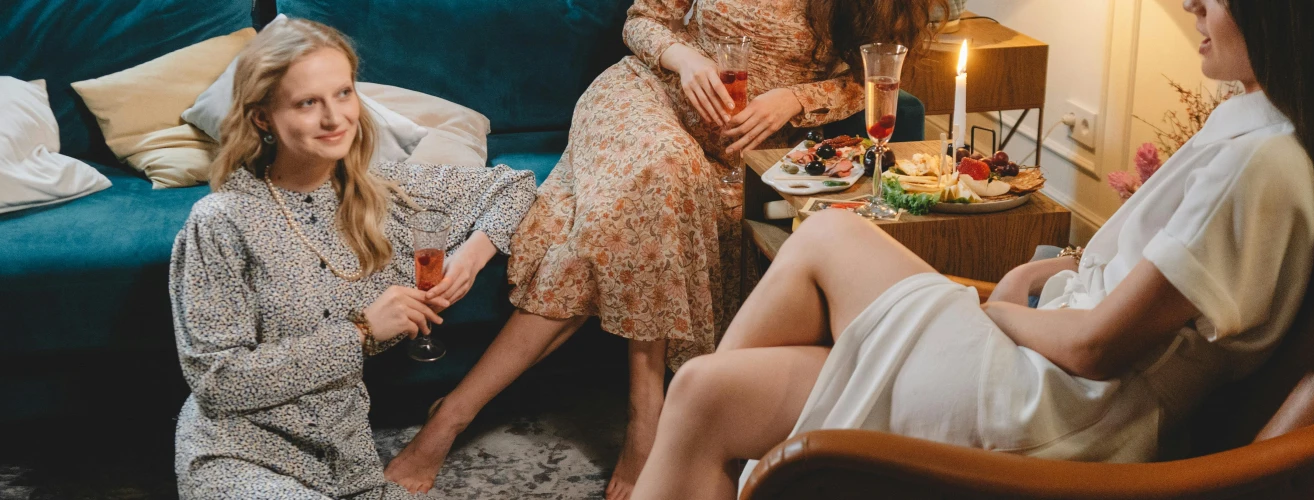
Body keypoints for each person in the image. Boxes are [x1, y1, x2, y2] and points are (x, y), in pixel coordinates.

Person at [630, 0, 1314, 498]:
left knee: (813, 253)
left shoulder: (1262, 165)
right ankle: (736, 468)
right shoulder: (1261, 129)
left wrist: (997, 307)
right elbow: (1158, 287)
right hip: (1051, 378)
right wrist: (1057, 270)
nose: (1193, 2)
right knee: (707, 386)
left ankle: (733, 469)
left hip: (1051, 410)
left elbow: (1096, 348)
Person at [385, 1, 943, 498]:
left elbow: (875, 76)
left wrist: (793, 99)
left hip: (736, 151)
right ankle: (645, 412)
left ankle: (453, 411)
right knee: (662, 170)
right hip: (643, 99)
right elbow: (644, 18)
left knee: (592, 246)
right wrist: (686, 59)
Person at [170, 18, 536, 499]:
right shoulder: (221, 220)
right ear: (262, 118)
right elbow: (217, 383)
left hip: (348, 466)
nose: (335, 118)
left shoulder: (385, 192)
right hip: (239, 455)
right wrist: (361, 332)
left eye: (343, 93)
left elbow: (513, 186)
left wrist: (470, 257)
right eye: (307, 103)